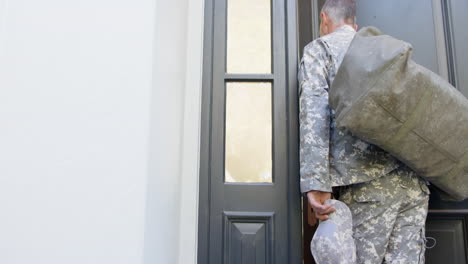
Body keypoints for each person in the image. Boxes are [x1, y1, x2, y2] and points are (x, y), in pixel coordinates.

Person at [298, 0, 430, 262]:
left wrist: (315, 183)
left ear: (324, 19)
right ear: (354, 25)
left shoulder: (321, 49)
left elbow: (314, 114)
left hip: (367, 184)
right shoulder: (383, 49)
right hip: (414, 180)